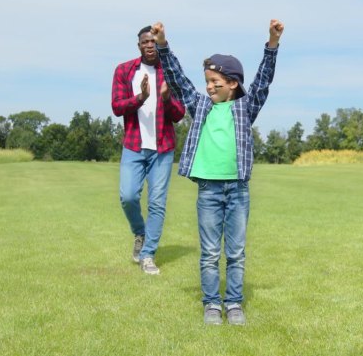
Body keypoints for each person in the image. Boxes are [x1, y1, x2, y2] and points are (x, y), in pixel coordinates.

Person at [151, 19, 284, 324]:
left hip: (237, 191)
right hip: (209, 190)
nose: (209, 86)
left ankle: (234, 303)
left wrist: (272, 44)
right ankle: (212, 303)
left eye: (215, 81)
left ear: (233, 83)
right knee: (210, 253)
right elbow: (177, 78)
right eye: (207, 81)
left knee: (236, 252)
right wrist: (162, 45)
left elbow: (263, 81)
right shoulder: (200, 106)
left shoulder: (245, 108)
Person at [111, 25, 186, 275]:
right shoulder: (124, 71)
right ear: (139, 45)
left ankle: (148, 254)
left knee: (157, 202)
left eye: (154, 41)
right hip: (133, 146)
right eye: (145, 41)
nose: (150, 45)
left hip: (162, 148)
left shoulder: (170, 73)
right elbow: (117, 107)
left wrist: (165, 99)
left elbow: (179, 114)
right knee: (128, 196)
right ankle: (140, 233)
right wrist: (141, 98)